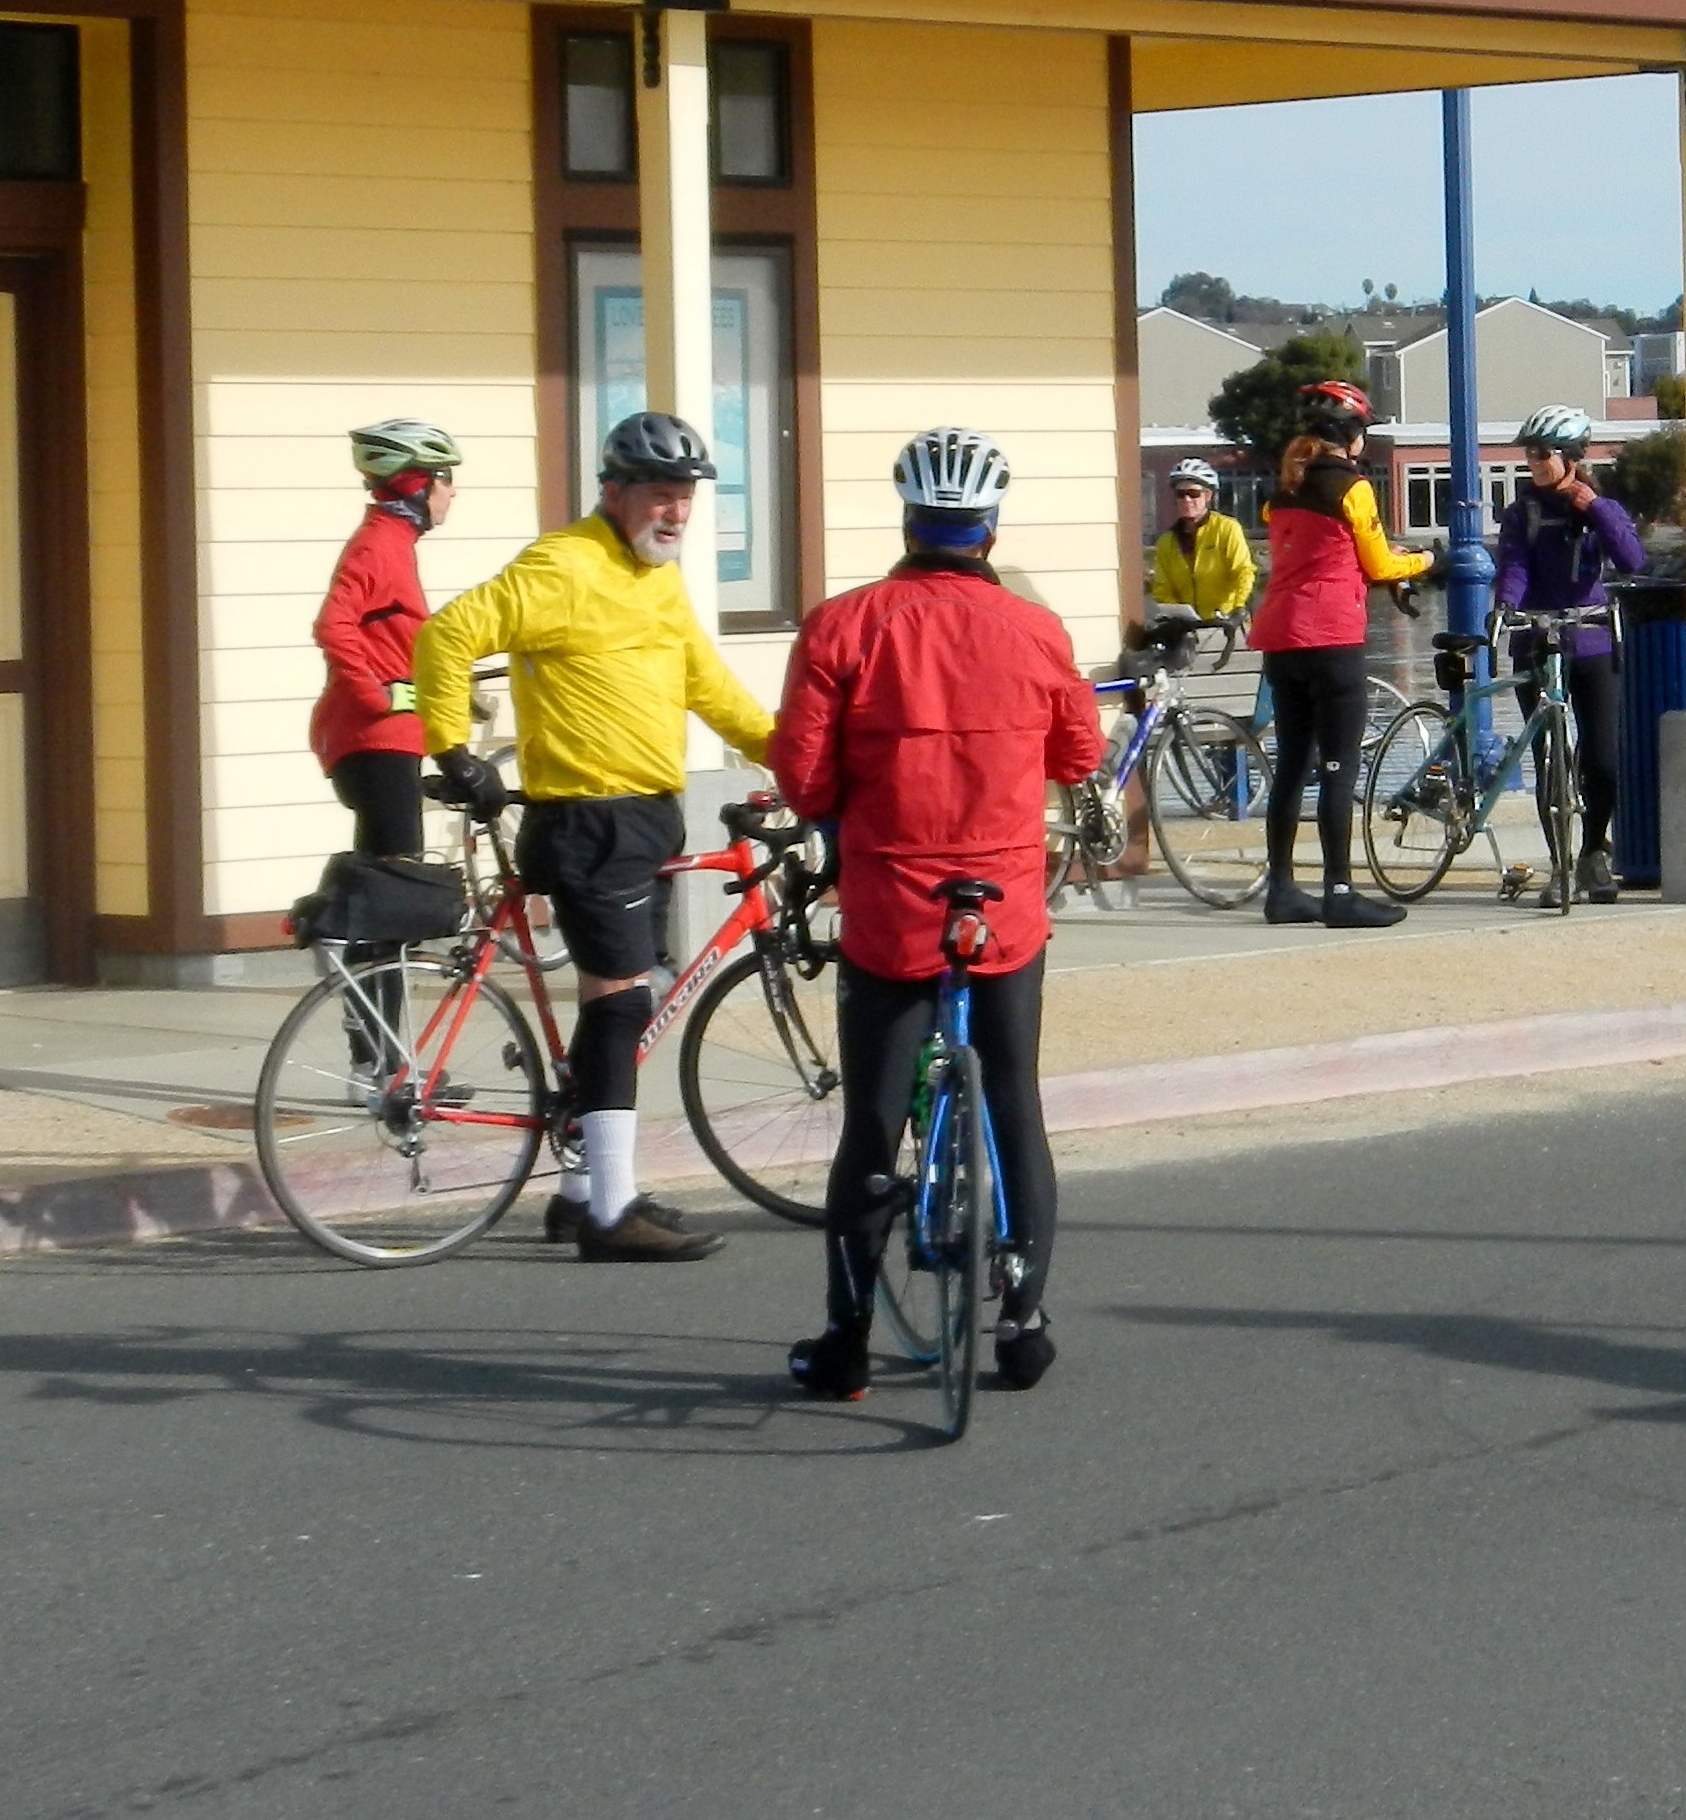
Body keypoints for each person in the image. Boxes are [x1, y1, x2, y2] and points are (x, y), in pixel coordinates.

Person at [765, 426, 1107, 1403]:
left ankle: (845, 1342)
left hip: (890, 897)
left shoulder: (844, 625)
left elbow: (803, 774)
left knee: (871, 1128)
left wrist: (843, 809)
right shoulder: (1034, 631)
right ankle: (1025, 1323)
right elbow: (1079, 753)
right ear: (990, 528)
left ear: (908, 519)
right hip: (1004, 898)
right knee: (1014, 1101)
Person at [407, 408, 773, 1262]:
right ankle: (612, 1212)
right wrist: (450, 747)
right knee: (622, 1007)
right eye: (657, 493)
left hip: (643, 816)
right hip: (589, 819)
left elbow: (709, 687)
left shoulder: (658, 582)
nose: (674, 511)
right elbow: (447, 634)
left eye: (684, 496)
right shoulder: (564, 566)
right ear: (614, 492)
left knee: (615, 1002)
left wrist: (796, 754)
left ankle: (576, 1196)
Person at [1251, 378, 1429, 925]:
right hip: (1330, 638)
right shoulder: (1352, 488)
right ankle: (1340, 892)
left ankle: (1281, 890)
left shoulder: (1283, 492)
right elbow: (1379, 564)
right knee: (1338, 767)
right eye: (1364, 433)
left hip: (1281, 638)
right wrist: (1424, 561)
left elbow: (1320, 551)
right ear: (1350, 435)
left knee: (1291, 768)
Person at [310, 417, 458, 1073]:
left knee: (386, 902)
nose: (454, 493)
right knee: (392, 908)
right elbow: (333, 624)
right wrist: (383, 696)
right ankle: (382, 1063)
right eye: (448, 480)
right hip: (375, 741)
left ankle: (377, 1055)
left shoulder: (394, 540)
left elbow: (386, 634)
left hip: (387, 740)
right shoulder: (380, 544)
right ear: (420, 484)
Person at [1491, 405, 1643, 904]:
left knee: (1600, 756)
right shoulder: (1521, 513)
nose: (1533, 463)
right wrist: (1505, 606)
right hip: (1537, 638)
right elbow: (1514, 566)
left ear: (1573, 456)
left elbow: (1632, 559)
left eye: (1542, 453)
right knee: (1549, 757)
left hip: (1592, 639)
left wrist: (1594, 506)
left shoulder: (1599, 505)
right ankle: (1559, 864)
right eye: (1528, 454)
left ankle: (1594, 852)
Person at [1147, 456, 1255, 625]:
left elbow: (1243, 572)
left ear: (1208, 496)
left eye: (1193, 494)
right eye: (1180, 494)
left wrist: (1238, 607)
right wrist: (1178, 616)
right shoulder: (1166, 541)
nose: (1187, 500)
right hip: (1187, 629)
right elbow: (1162, 587)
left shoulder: (1227, 528)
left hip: (1226, 623)